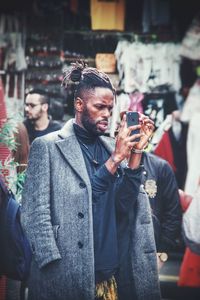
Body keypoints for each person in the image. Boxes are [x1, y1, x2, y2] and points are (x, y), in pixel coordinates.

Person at [21, 62, 161, 300]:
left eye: (110, 108)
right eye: (100, 107)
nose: (107, 114)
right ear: (79, 104)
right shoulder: (47, 147)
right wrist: (51, 261)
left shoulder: (109, 146)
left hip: (111, 277)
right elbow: (34, 213)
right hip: (64, 275)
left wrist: (136, 153)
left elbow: (122, 205)